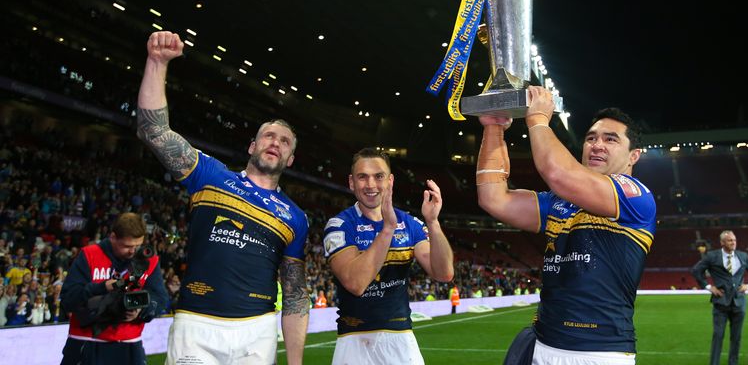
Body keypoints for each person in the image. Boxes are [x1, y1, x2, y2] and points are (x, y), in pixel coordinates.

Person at [137, 31, 310, 365]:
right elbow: (153, 132)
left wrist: (296, 362)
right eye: (268, 135)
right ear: (252, 146)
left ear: (290, 160)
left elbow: (295, 296)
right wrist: (157, 63)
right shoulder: (212, 176)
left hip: (257, 332)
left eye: (285, 141)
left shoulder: (295, 217)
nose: (275, 142)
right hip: (196, 324)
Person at [476, 87, 656, 365]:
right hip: (543, 343)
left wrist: (537, 119)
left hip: (599, 353)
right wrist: (493, 129)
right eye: (591, 138)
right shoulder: (559, 202)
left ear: (634, 156)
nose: (597, 145)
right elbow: (494, 198)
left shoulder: (635, 195)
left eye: (611, 140)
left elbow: (558, 173)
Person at [323, 148, 454, 365]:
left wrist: (433, 222)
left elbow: (444, 273)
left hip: (401, 338)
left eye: (379, 176)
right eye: (362, 177)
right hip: (354, 340)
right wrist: (387, 229)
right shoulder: (340, 225)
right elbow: (355, 283)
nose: (371, 184)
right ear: (351, 182)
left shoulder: (411, 224)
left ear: (390, 180)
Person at [59, 212, 167, 365]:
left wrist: (140, 311)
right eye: (127, 246)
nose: (133, 251)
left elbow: (161, 298)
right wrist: (101, 288)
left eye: (138, 245)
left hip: (129, 343)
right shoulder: (90, 255)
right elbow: (68, 299)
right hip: (86, 342)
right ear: (113, 237)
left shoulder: (149, 261)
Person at [692, 230, 748, 365]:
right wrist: (708, 287)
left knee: (736, 337)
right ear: (722, 242)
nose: (733, 242)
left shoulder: (743, 256)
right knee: (718, 336)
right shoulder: (712, 256)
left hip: (739, 302)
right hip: (720, 302)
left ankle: (733, 363)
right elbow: (696, 270)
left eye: (734, 240)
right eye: (730, 240)